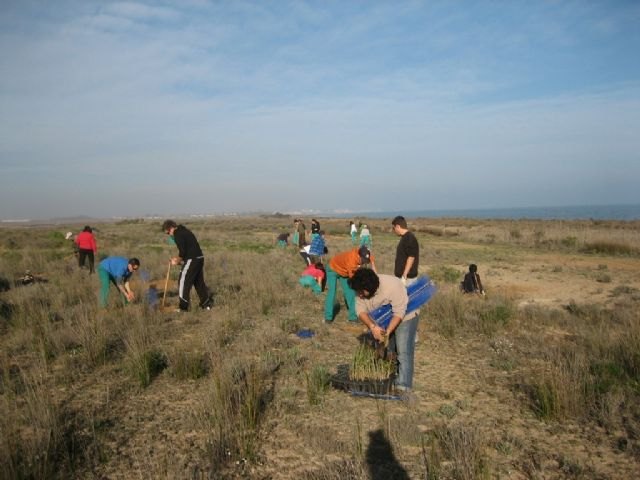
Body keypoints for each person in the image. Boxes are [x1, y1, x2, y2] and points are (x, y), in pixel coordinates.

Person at [349, 268, 419, 393]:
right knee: (389, 350)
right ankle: (392, 378)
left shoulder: (392, 286)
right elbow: (360, 311)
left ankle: (403, 387)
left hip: (405, 316)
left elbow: (399, 313)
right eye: (357, 291)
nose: (359, 294)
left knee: (403, 351)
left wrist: (387, 333)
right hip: (385, 317)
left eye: (361, 292)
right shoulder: (360, 289)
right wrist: (373, 327)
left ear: (370, 288)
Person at [162, 220, 213, 312]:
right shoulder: (185, 231)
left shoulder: (178, 235)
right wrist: (179, 260)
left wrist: (176, 261)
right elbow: (187, 250)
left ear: (171, 228)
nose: (169, 235)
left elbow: (183, 253)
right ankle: (206, 305)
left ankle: (183, 307)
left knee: (182, 281)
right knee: (198, 282)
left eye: (168, 232)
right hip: (199, 257)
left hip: (192, 259)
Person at [324, 246, 376, 323]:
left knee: (350, 293)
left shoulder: (365, 252)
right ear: (358, 256)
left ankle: (353, 317)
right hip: (333, 269)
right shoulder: (351, 262)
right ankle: (328, 317)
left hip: (344, 272)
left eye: (366, 260)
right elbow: (354, 281)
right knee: (332, 292)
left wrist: (375, 278)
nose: (365, 262)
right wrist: (362, 291)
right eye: (363, 260)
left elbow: (372, 261)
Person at [392, 216, 420, 286]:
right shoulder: (404, 238)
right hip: (403, 277)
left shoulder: (409, 238)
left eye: (394, 228)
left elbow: (411, 257)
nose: (393, 230)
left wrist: (404, 275)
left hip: (407, 278)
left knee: (408, 297)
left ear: (398, 226)